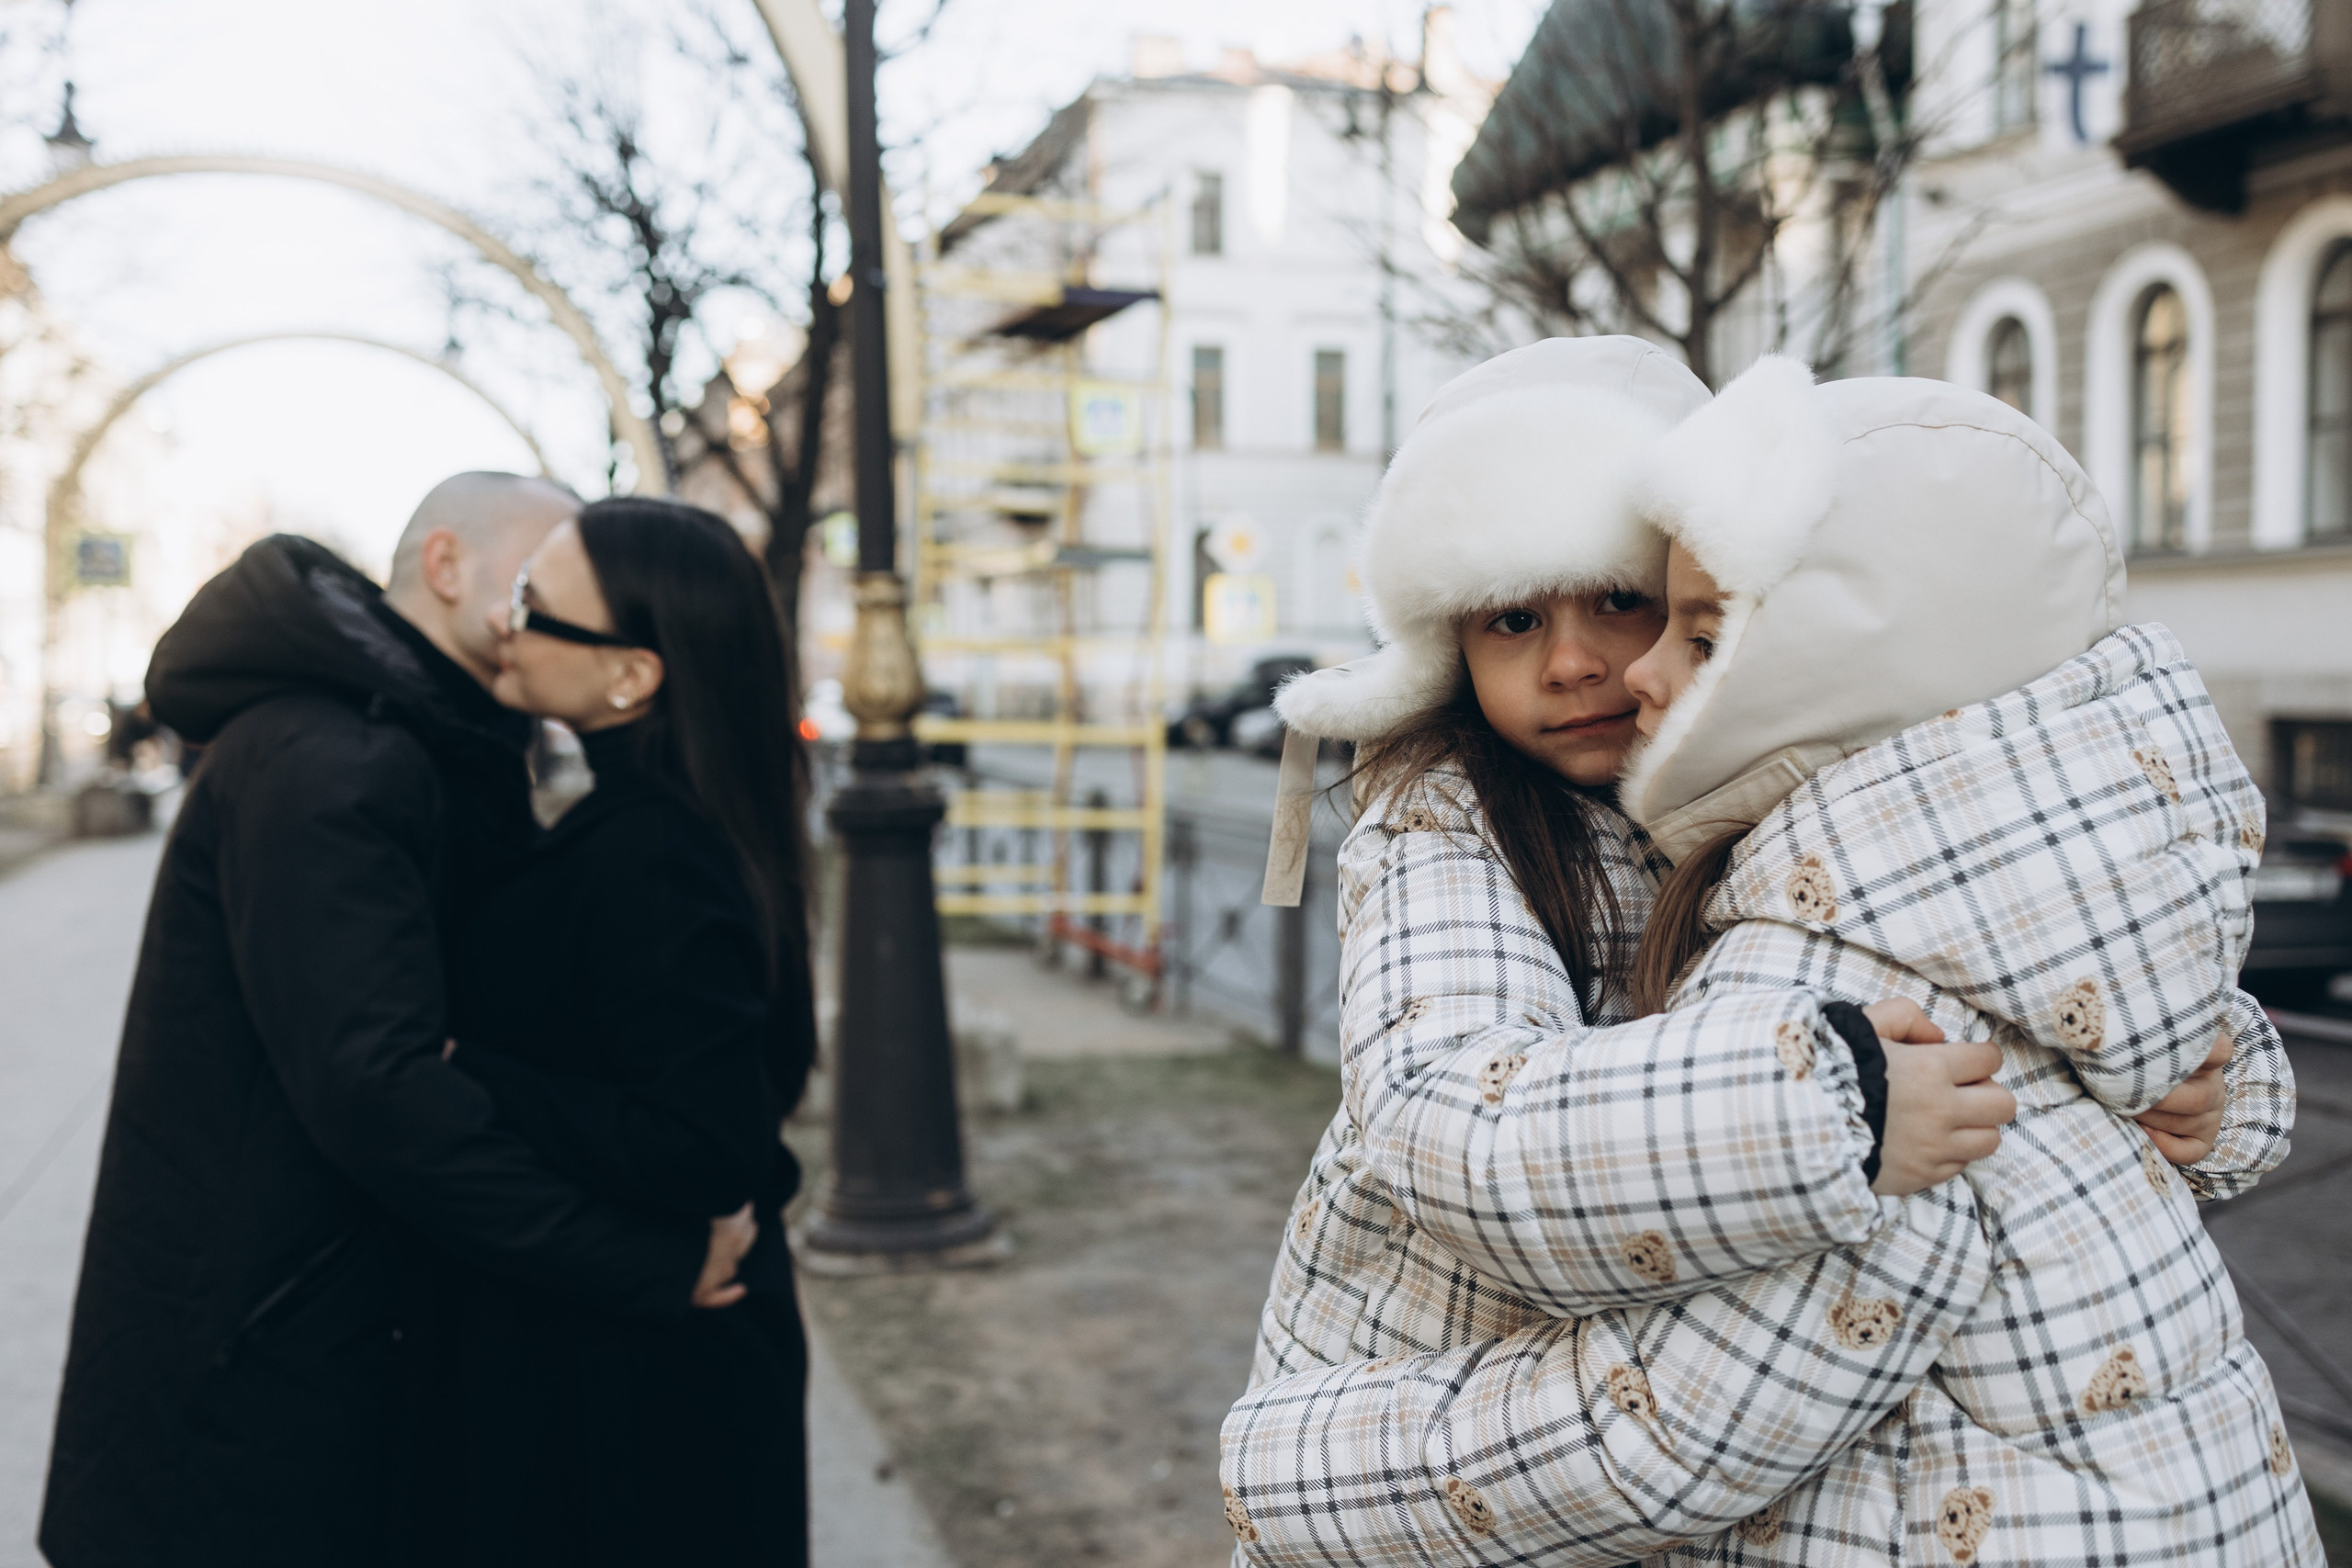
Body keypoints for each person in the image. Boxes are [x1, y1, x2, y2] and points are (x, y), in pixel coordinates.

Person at [1217, 343, 2295, 1563]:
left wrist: (2214, 1071)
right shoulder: (1453, 818)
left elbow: (2030, 934)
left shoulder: (1768, 801)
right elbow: (1443, 1110)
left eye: (1628, 603)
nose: (1583, 663)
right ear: (1447, 645)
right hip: (1450, 1356)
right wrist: (1820, 1104)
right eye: (1512, 617)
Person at [40, 475, 753, 1568]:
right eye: (525, 582)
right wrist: (641, 1260)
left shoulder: (430, 745)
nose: (531, 615)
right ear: (447, 568)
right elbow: (381, 1096)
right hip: (257, 1377)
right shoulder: (334, 760)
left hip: (324, 1341)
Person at [424, 495, 816, 1563]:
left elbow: (703, 1138)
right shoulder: (670, 822)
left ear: (631, 675)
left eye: (536, 607)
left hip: (653, 1409)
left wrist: (476, 1075)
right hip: (652, 1376)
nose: (508, 622)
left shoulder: (654, 856)